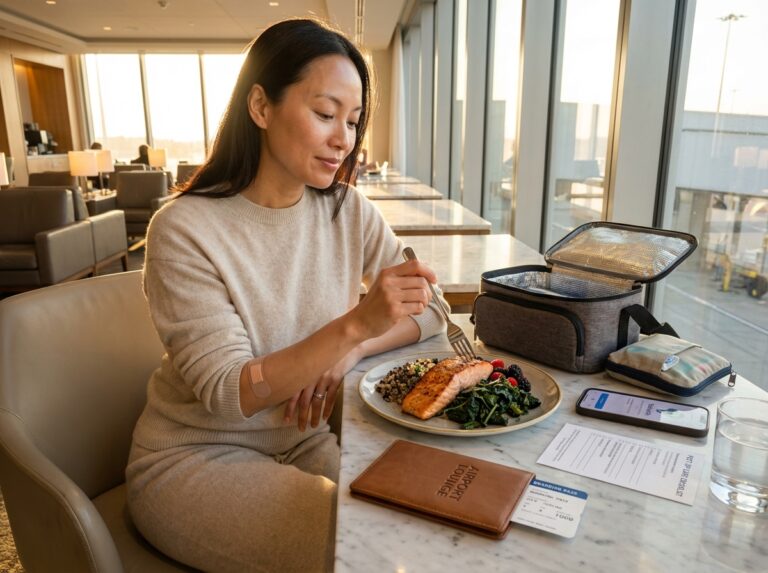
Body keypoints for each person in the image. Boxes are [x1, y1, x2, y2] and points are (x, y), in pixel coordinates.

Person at [126, 18, 446, 573]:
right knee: (364, 548)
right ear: (261, 107)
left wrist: (351, 351)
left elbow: (434, 312)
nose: (343, 138)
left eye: (352, 120)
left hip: (300, 438)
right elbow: (231, 393)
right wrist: (353, 326)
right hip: (195, 455)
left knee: (415, 523)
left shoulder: (347, 210)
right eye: (325, 114)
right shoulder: (183, 228)